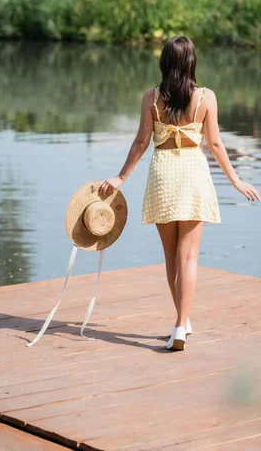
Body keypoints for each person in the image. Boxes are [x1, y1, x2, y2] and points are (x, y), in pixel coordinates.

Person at [99, 36, 260, 351]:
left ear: (164, 63)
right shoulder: (205, 98)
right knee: (189, 256)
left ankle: (181, 323)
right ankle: (180, 325)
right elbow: (214, 144)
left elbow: (141, 143)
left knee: (171, 256)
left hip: (163, 175)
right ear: (191, 63)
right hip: (193, 175)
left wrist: (121, 177)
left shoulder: (151, 98)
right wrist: (236, 180)